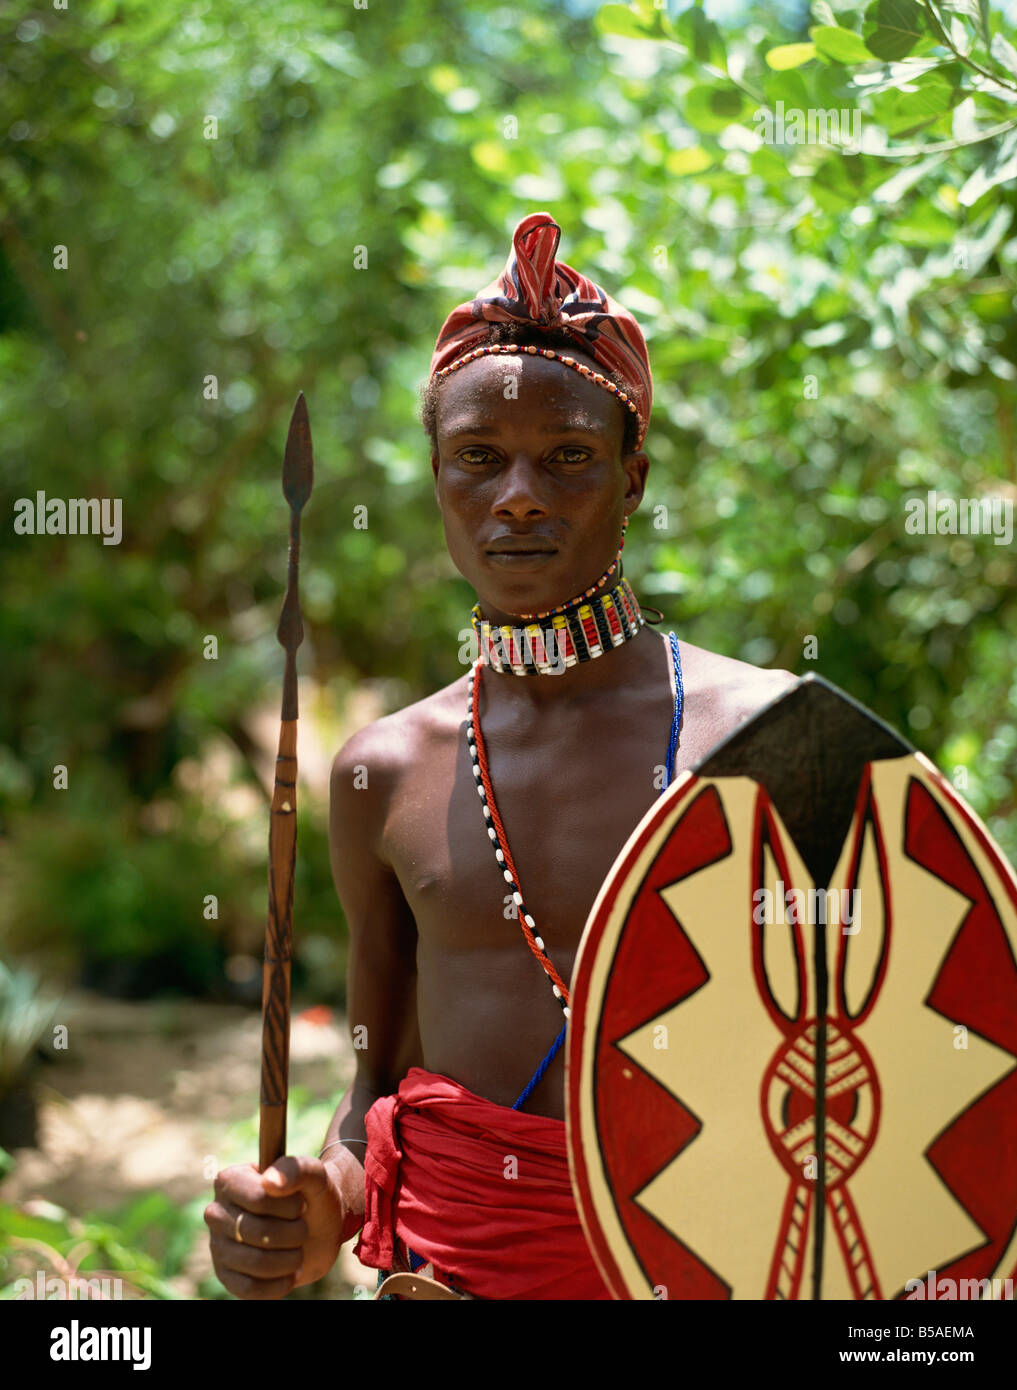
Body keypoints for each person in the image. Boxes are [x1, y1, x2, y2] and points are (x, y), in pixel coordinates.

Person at [205, 211, 797, 1300]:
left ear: (631, 478)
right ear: (437, 480)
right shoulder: (382, 772)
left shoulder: (768, 739)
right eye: (477, 459)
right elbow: (378, 1085)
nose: (517, 493)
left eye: (567, 456)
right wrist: (312, 1208)